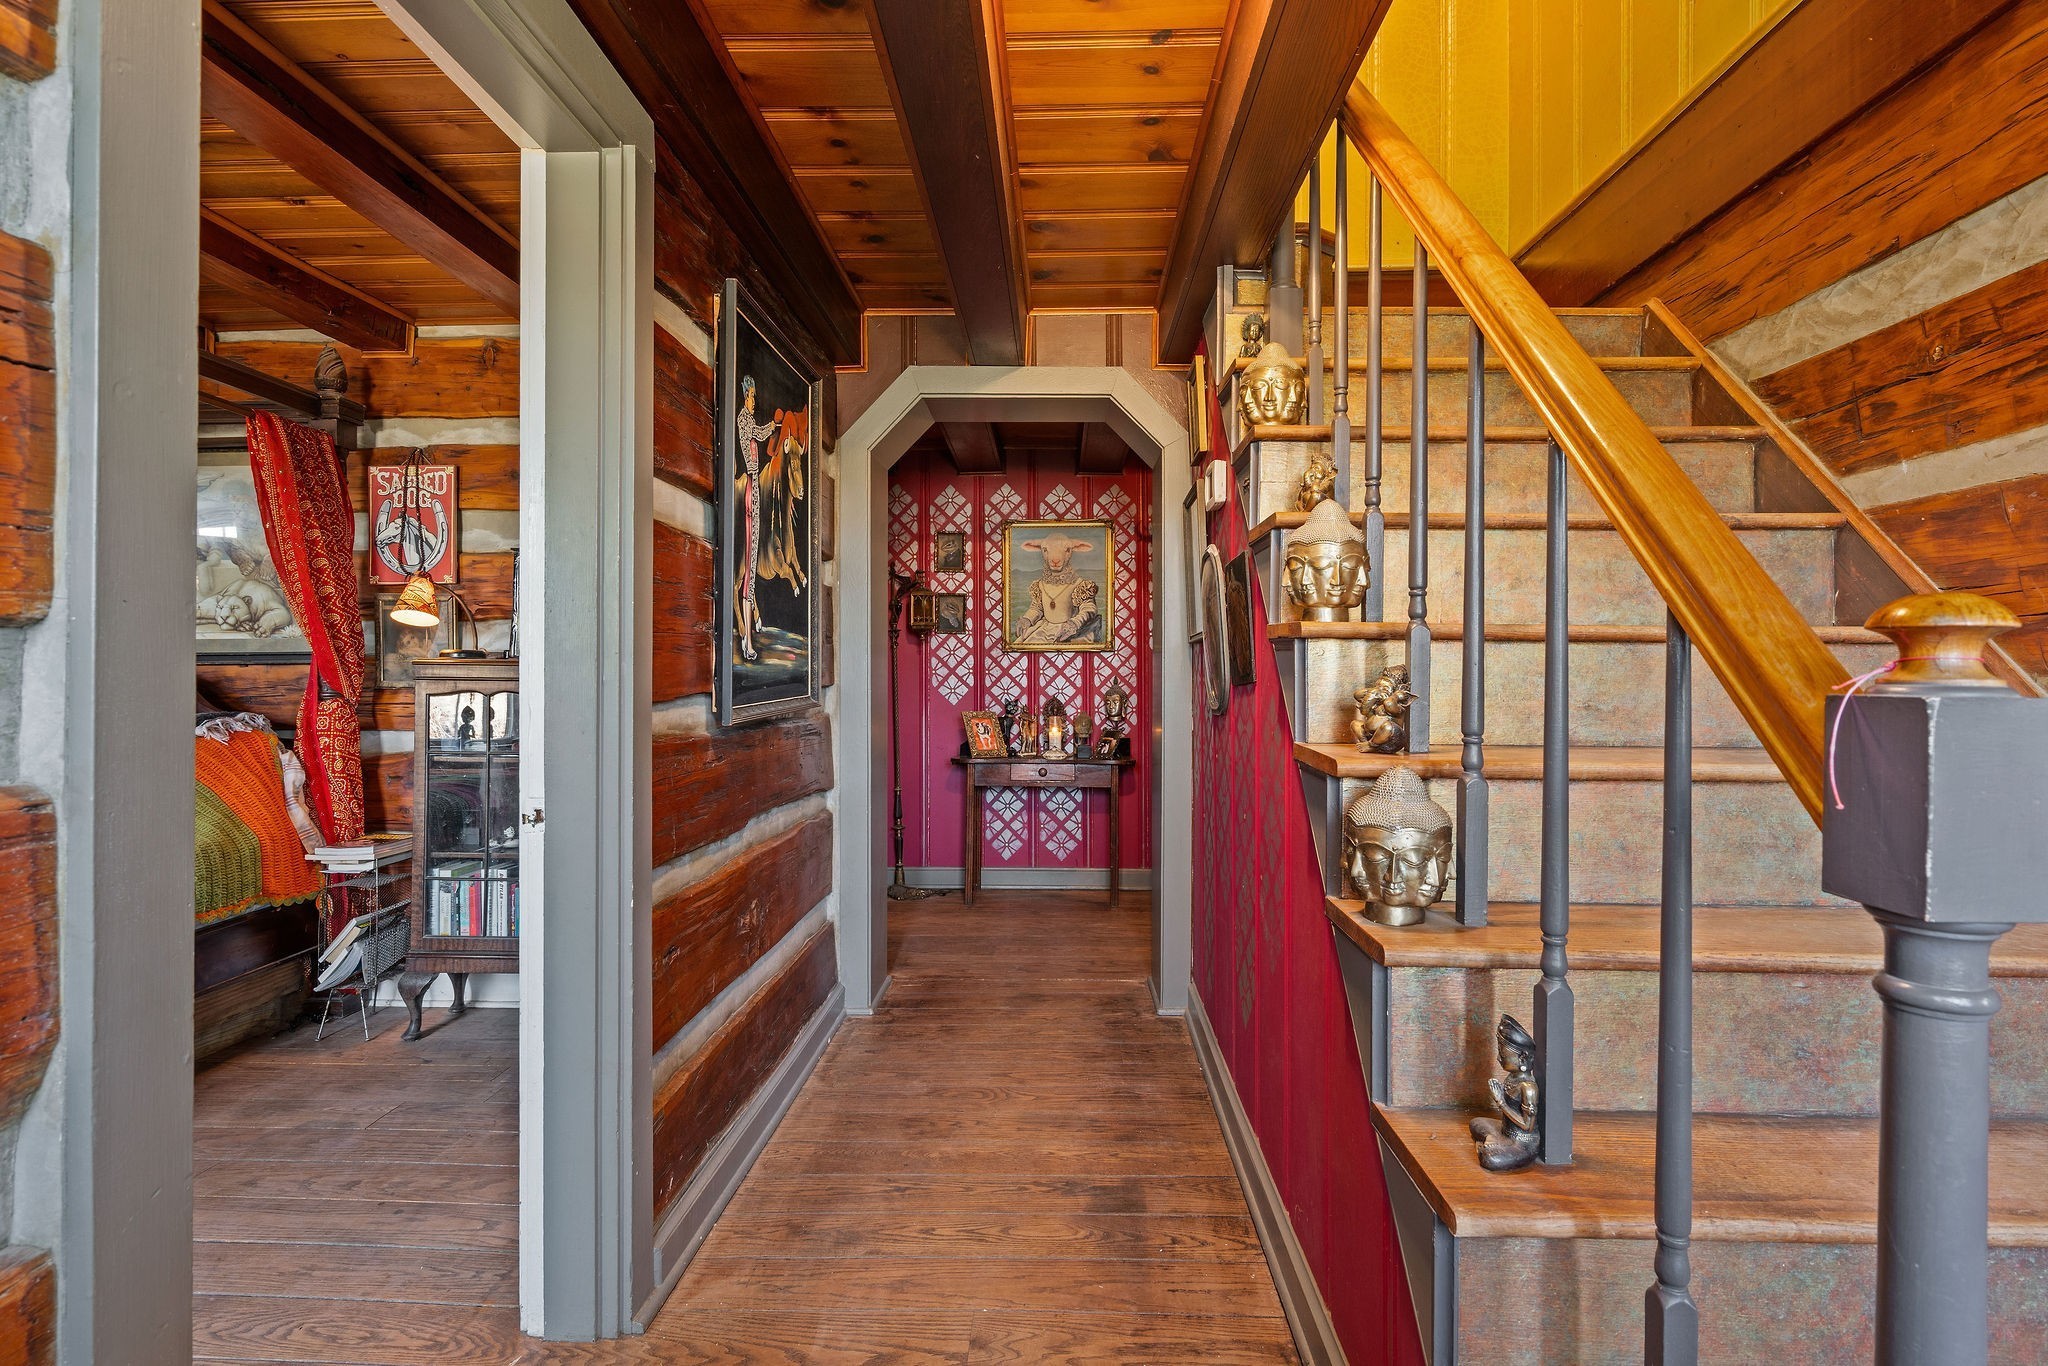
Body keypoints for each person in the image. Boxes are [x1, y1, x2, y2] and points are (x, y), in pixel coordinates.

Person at [733, 375, 776, 661]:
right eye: (751, 397)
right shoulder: (743, 419)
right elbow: (759, 433)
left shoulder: (746, 417)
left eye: (753, 397)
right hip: (750, 485)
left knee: (751, 567)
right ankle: (747, 638)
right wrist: (773, 426)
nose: (753, 401)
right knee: (749, 568)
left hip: (754, 485)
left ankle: (749, 635)